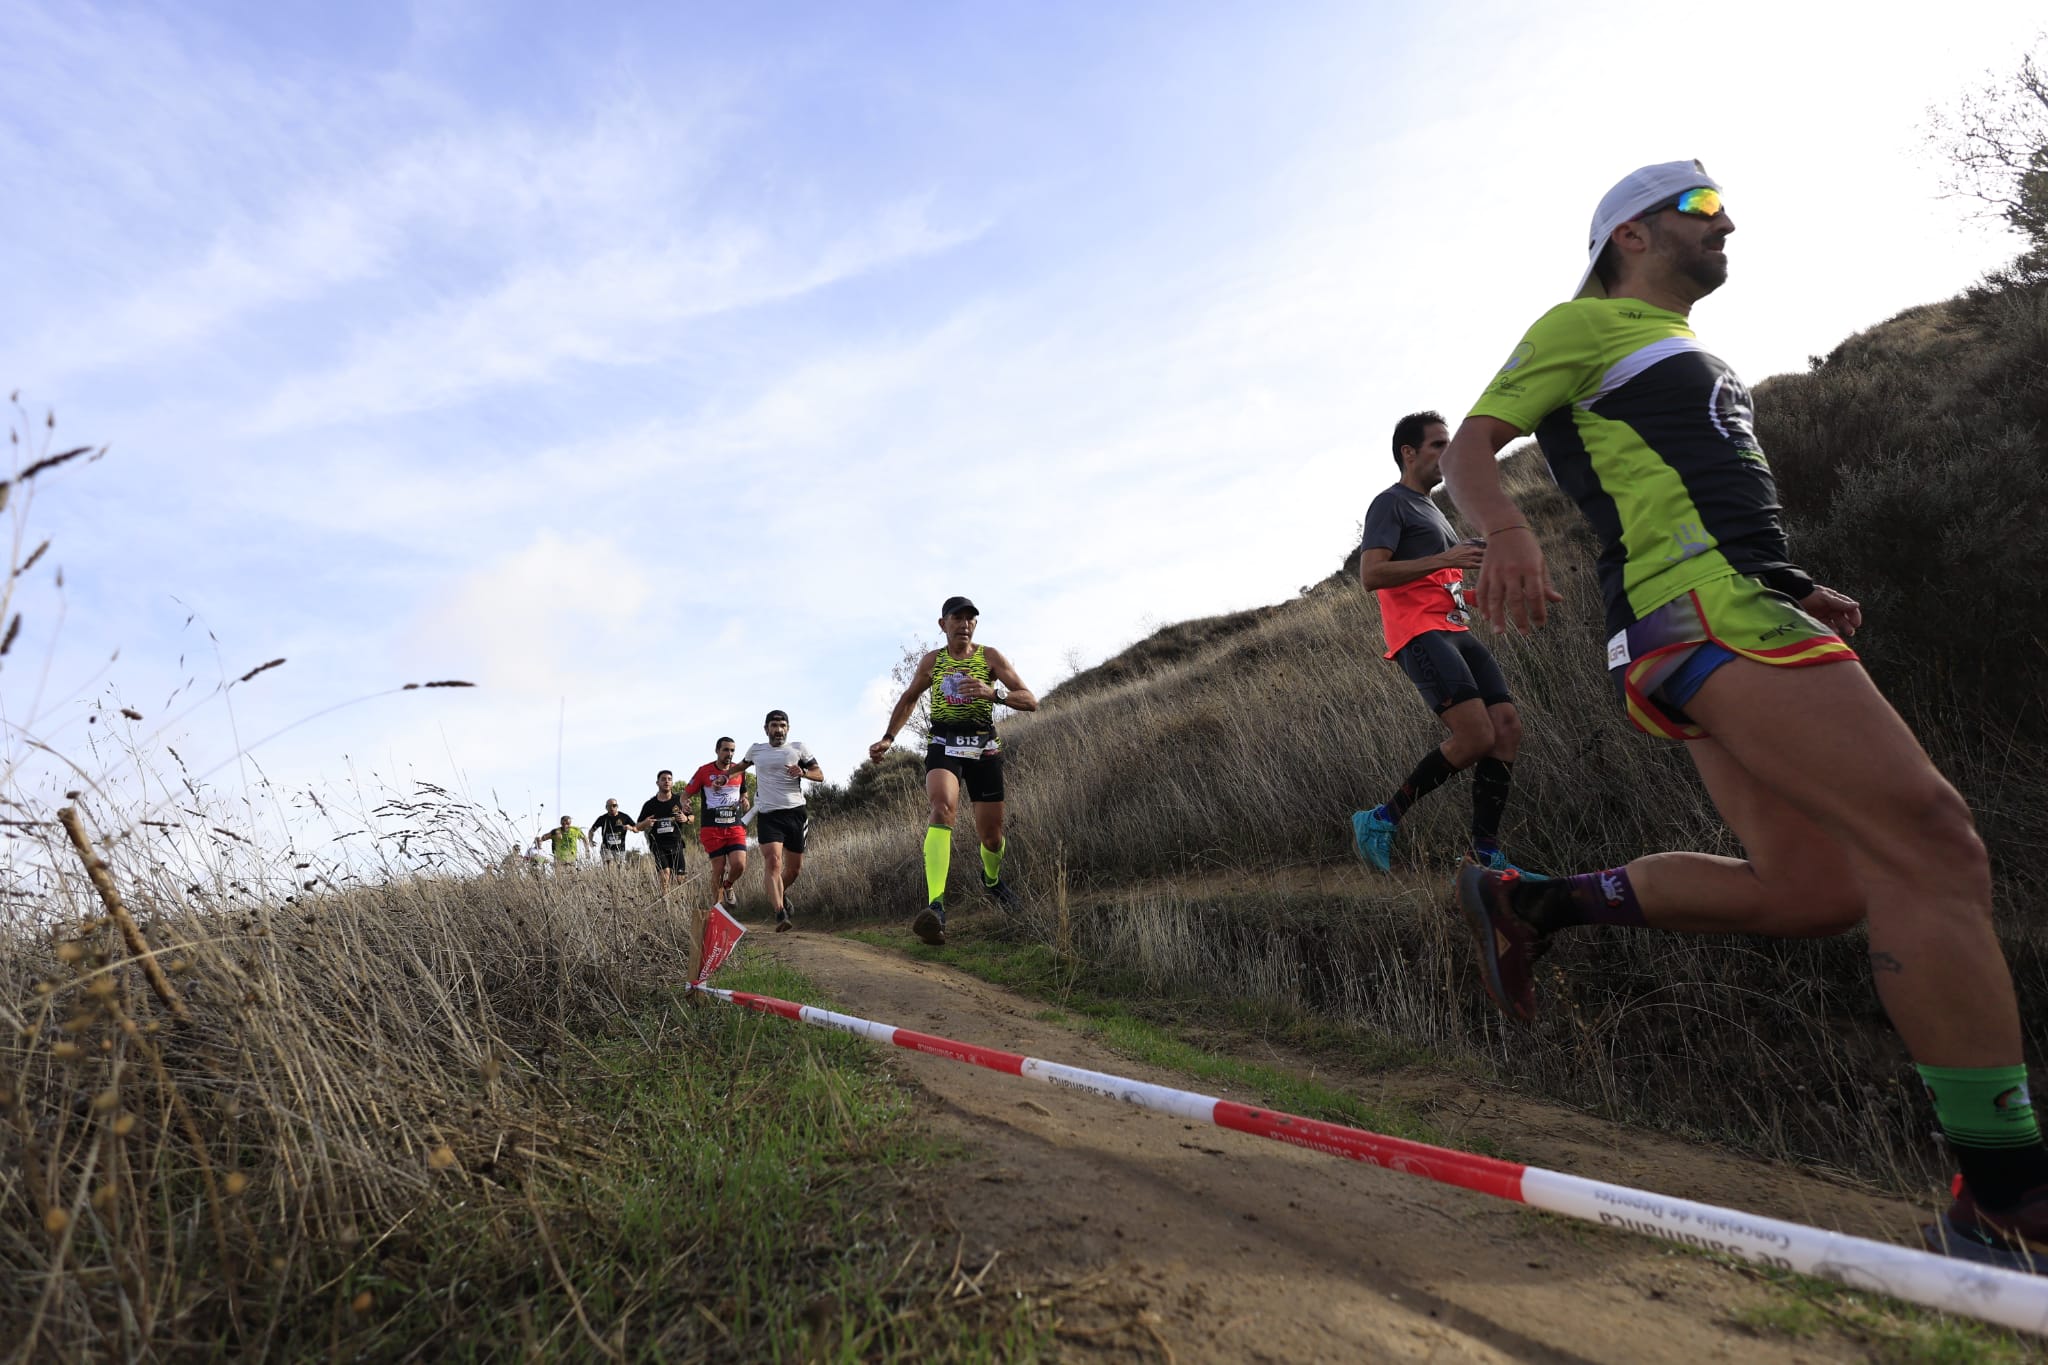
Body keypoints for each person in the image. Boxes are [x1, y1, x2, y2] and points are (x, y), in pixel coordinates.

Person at [1439, 160, 2048, 1268]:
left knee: (1812, 891)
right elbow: (1474, 445)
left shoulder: (1681, 355)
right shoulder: (1584, 322)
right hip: (1710, 621)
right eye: (1702, 209)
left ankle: (1535, 904)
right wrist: (1508, 538)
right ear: (1627, 232)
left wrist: (1788, 576)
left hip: (1717, 613)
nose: (1727, 224)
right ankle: (2005, 1192)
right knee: (1931, 850)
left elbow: (1687, 490)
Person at [1351, 412, 1535, 876]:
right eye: (1437, 446)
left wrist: (1492, 594)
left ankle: (1484, 855)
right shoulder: (1389, 504)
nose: (1446, 455)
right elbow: (1371, 575)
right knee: (1476, 736)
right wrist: (1448, 556)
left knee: (1506, 727)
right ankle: (1381, 819)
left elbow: (1442, 584)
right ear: (1408, 453)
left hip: (1455, 629)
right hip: (1418, 633)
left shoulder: (1433, 510)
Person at [870, 595, 1039, 946]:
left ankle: (991, 880)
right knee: (942, 808)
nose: (964, 624)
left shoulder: (989, 657)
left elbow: (1029, 700)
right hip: (944, 743)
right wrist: (889, 738)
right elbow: (909, 699)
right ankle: (936, 906)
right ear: (942, 624)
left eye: (970, 619)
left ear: (975, 625)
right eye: (956, 618)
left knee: (991, 837)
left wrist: (992, 694)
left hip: (984, 746)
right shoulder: (934, 661)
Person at [728, 711, 822, 931]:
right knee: (773, 862)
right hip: (769, 816)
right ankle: (780, 913)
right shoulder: (757, 750)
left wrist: (803, 772)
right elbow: (741, 766)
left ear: (788, 728)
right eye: (774, 725)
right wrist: (725, 776)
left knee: (794, 870)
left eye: (782, 725)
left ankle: (780, 891)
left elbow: (820, 774)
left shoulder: (798, 748)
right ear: (766, 729)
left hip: (796, 814)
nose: (778, 730)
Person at [686, 737, 754, 912]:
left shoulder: (738, 770)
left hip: (734, 826)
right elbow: (686, 793)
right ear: (717, 751)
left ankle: (728, 885)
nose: (729, 754)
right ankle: (717, 910)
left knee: (739, 864)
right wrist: (685, 803)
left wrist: (744, 799)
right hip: (712, 828)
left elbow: (743, 792)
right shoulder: (704, 771)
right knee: (719, 867)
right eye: (725, 750)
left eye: (732, 750)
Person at [631, 770, 692, 892]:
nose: (667, 781)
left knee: (680, 878)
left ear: (672, 783)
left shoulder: (679, 800)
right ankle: (666, 903)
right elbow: (637, 827)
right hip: (658, 844)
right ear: (657, 783)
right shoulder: (650, 804)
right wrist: (646, 823)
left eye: (669, 779)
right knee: (665, 874)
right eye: (663, 779)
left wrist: (686, 818)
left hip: (676, 843)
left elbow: (691, 817)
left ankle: (681, 904)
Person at [589, 798, 634, 866]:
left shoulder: (624, 817)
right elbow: (591, 830)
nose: (612, 808)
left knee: (620, 868)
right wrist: (590, 840)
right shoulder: (602, 818)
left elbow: (636, 828)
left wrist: (630, 828)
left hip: (620, 848)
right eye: (609, 806)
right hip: (606, 848)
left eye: (614, 805)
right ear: (606, 807)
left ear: (617, 806)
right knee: (609, 865)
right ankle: (608, 875)